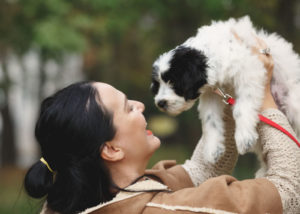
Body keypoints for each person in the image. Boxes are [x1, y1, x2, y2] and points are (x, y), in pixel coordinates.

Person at [24, 38, 300, 214]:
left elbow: (205, 170)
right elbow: (290, 190)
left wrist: (223, 84)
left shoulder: (87, 197)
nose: (141, 105)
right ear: (111, 149)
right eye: (128, 107)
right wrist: (261, 95)